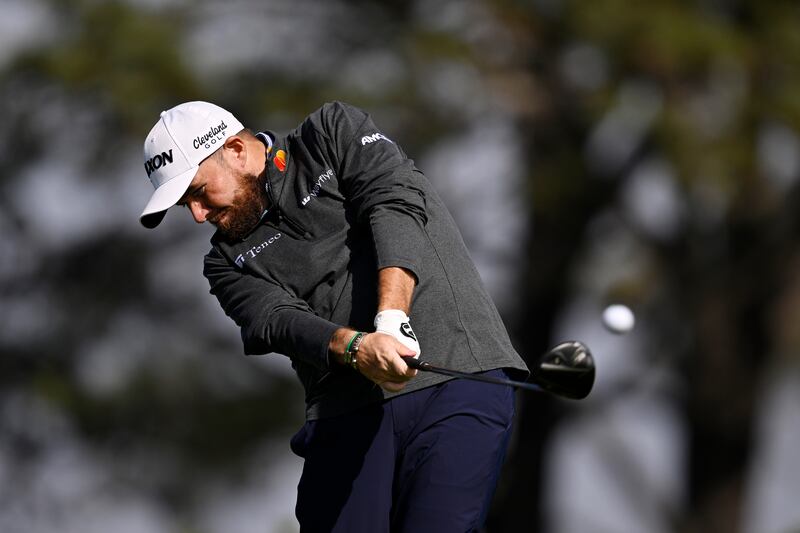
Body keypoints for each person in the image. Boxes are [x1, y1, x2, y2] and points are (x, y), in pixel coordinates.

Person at [139, 100, 529, 532]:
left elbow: (393, 202)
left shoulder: (329, 134)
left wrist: (392, 317)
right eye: (184, 206)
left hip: (456, 376)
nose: (197, 216)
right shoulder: (224, 262)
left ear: (235, 150)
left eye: (198, 192)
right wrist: (358, 347)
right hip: (345, 413)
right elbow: (276, 319)